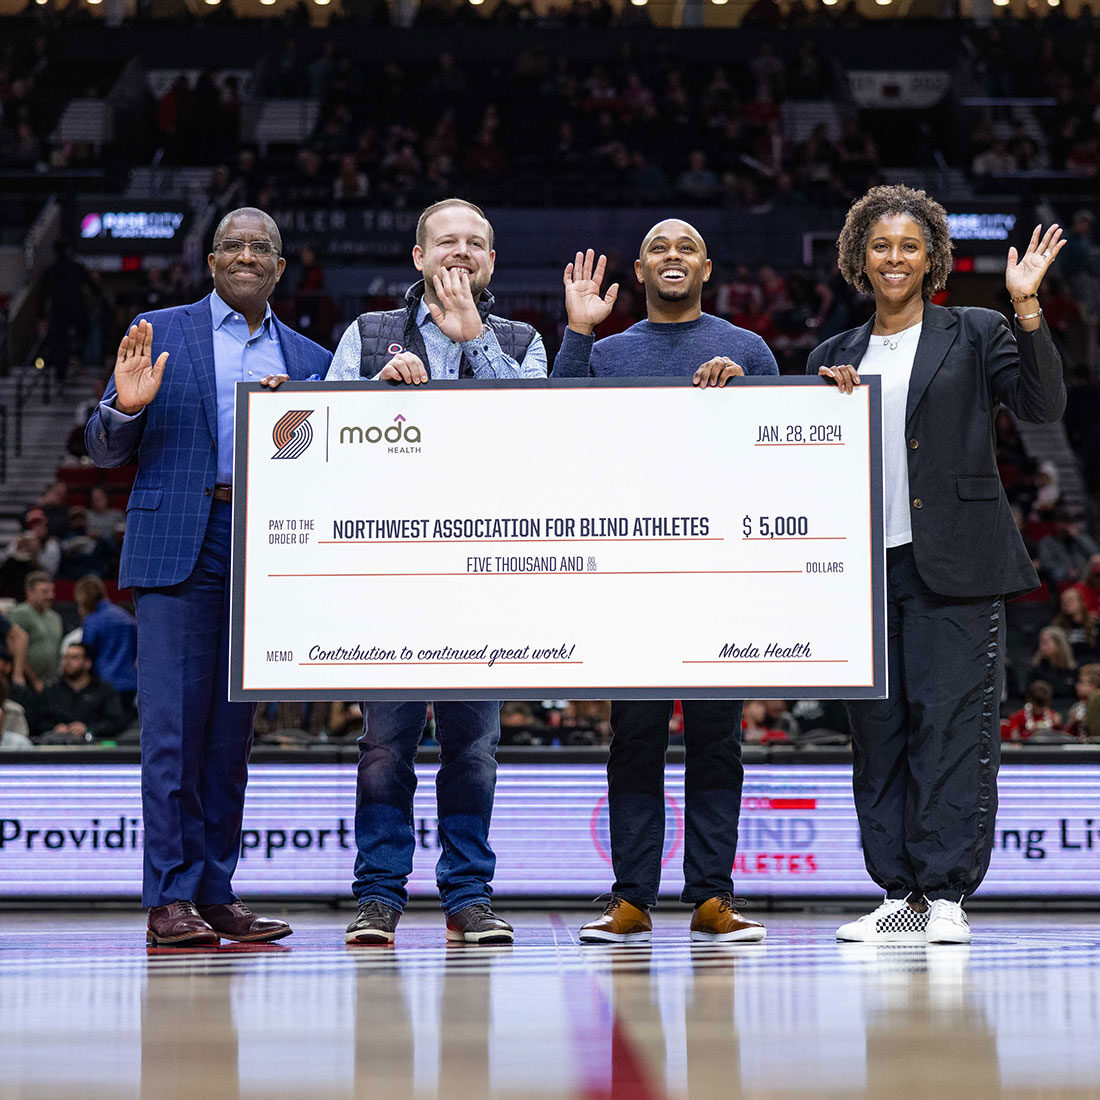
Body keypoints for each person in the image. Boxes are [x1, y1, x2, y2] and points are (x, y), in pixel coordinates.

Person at [808, 184, 1066, 944]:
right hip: (858, 573)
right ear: (860, 255)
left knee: (952, 728)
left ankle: (947, 894)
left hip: (953, 562)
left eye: (909, 246)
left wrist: (1027, 308)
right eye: (881, 245)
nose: (894, 258)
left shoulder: (978, 330)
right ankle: (898, 893)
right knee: (877, 734)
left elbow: (1045, 405)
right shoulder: (832, 355)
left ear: (932, 260)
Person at [85, 207, 331, 947]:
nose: (247, 255)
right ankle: (168, 897)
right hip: (175, 544)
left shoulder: (313, 359)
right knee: (171, 732)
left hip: (265, 547)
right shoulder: (159, 329)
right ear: (212, 259)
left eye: (263, 246)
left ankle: (216, 892)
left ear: (280, 268)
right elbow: (100, 446)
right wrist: (125, 409)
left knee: (231, 738)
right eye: (234, 245)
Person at [553, 218, 777, 944]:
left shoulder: (748, 350)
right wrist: (578, 334)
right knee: (635, 741)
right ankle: (632, 899)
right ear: (640, 271)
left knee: (718, 742)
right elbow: (549, 434)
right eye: (658, 248)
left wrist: (746, 400)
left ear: (707, 267)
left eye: (686, 247)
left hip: (719, 577)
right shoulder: (608, 354)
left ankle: (713, 897)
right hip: (632, 580)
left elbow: (783, 457)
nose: (672, 256)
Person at [328, 198, 545, 947]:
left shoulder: (520, 339)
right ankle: (379, 897)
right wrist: (375, 397)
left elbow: (542, 438)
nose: (461, 252)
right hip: (392, 578)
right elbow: (321, 447)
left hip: (482, 577)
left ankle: (468, 897)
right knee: (385, 747)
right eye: (445, 241)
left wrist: (475, 342)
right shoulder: (367, 337)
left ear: (492, 261)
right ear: (416, 258)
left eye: (476, 243)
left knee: (474, 749)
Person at [34, 642, 127, 745]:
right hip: (55, 745)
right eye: (65, 658)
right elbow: (37, 720)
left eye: (74, 657)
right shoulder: (50, 691)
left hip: (94, 747)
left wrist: (88, 728)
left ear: (87, 663)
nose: (67, 662)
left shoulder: (104, 690)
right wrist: (55, 727)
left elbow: (116, 722)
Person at [74, 575, 138, 713]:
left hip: (104, 685)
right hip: (130, 682)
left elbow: (86, 653)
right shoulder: (125, 616)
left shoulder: (92, 621)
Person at [9, 571, 63, 691]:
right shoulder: (20, 613)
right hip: (26, 683)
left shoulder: (55, 617)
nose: (50, 596)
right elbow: (14, 649)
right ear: (29, 592)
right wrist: (34, 680)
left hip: (50, 682)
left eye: (52, 591)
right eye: (44, 592)